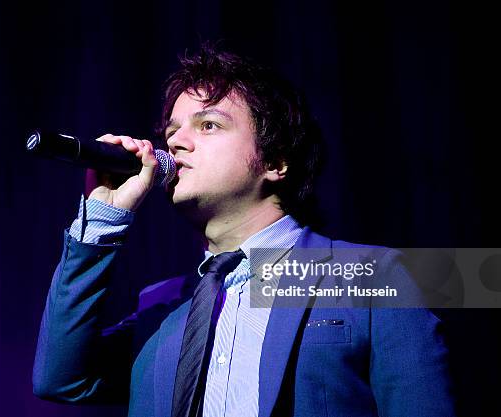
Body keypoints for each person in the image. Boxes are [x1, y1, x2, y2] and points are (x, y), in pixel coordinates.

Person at [32, 44, 455, 417]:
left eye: (208, 125)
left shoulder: (377, 274)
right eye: (173, 131)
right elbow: (61, 380)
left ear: (275, 163)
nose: (175, 143)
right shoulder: (162, 305)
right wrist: (103, 219)